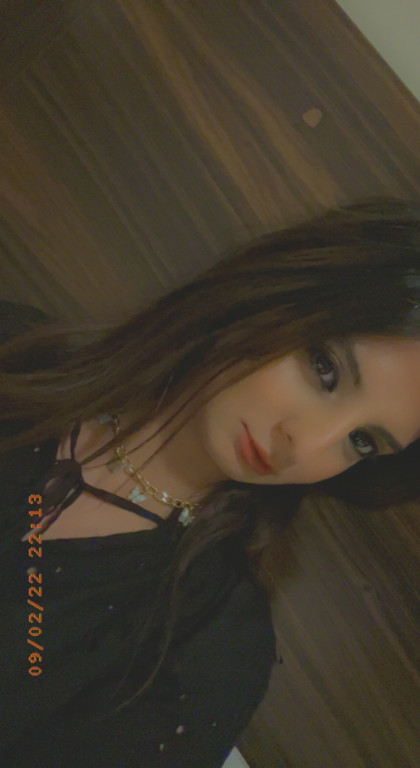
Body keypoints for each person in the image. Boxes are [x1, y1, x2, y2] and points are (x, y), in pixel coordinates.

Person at [0, 197, 419, 767]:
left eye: (362, 441)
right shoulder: (14, 350)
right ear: (271, 293)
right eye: (325, 369)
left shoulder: (208, 647)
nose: (308, 445)